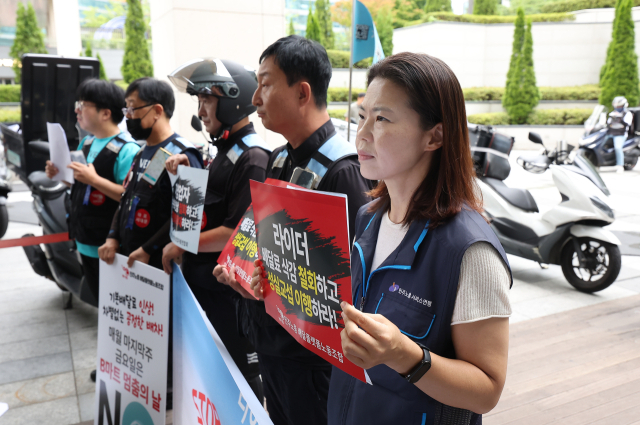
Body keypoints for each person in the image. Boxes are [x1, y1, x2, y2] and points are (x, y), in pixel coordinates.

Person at [302, 52, 510, 425]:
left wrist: (405, 355)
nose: (361, 134)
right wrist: (284, 289)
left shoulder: (469, 250)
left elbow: (488, 390)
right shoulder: (367, 218)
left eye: (382, 119)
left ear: (435, 136)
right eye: (363, 115)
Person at [213, 35, 374, 425]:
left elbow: (353, 284)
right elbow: (259, 240)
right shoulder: (279, 158)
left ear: (302, 92)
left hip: (311, 364)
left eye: (265, 84)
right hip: (272, 346)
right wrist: (237, 269)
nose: (255, 99)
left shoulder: (344, 172)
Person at [162, 58, 270, 400]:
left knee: (242, 377)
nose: (201, 109)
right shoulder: (218, 151)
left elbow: (236, 233)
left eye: (206, 99)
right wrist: (185, 172)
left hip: (230, 294)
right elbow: (206, 208)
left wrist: (181, 243)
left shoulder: (252, 157)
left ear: (231, 100)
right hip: (206, 286)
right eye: (199, 101)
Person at [45, 78, 140, 384]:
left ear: (105, 113)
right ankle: (111, 364)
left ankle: (125, 369)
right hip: (85, 241)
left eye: (82, 106)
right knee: (104, 307)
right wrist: (62, 176)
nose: (77, 112)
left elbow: (130, 196)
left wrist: (93, 178)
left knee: (119, 312)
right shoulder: (86, 144)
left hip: (110, 246)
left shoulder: (126, 149)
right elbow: (81, 187)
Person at [98, 77, 203, 269]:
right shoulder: (145, 151)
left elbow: (187, 216)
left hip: (163, 268)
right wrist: (112, 237)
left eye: (133, 109)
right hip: (132, 262)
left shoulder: (182, 154)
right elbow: (128, 198)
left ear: (157, 111)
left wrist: (148, 249)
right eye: (126, 109)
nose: (127, 116)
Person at [607, 96, 633, 173]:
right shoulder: (613, 113)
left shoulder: (627, 114)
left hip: (620, 134)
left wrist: (619, 117)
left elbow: (627, 123)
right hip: (611, 133)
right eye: (616, 106)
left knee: (618, 147)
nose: (618, 108)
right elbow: (608, 123)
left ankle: (620, 165)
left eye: (619, 106)